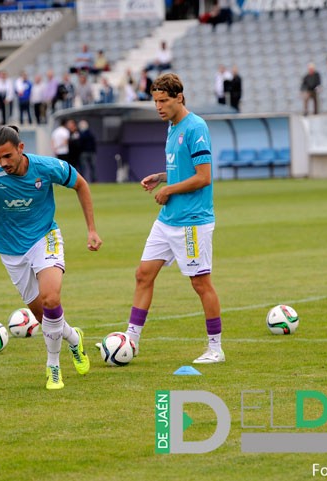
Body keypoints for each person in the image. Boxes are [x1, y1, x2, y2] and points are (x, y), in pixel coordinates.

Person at [0, 125, 102, 390]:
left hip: (44, 237)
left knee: (51, 298)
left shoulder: (46, 167)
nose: (2, 163)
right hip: (10, 251)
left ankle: (53, 366)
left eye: (7, 156)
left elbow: (81, 184)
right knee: (45, 318)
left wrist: (91, 230)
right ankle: (73, 338)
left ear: (21, 148)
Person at [123, 73, 225, 364]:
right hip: (167, 220)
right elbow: (185, 169)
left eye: (163, 101)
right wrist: (161, 177)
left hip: (192, 221)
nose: (158, 107)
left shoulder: (196, 127)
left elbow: (203, 177)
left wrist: (169, 188)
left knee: (200, 283)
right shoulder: (172, 126)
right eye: (155, 101)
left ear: (179, 97)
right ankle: (131, 340)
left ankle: (215, 348)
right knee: (143, 274)